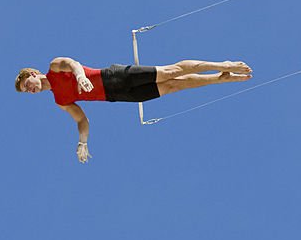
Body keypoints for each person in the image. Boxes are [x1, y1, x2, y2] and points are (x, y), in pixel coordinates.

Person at [15, 57, 252, 163]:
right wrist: (82, 143)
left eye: (28, 85)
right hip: (117, 96)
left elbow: (73, 63)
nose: (31, 91)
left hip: (113, 76)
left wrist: (79, 77)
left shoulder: (55, 67)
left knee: (170, 72)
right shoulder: (59, 100)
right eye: (27, 92)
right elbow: (81, 119)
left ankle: (224, 65)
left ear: (33, 74)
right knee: (170, 87)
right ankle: (219, 79)